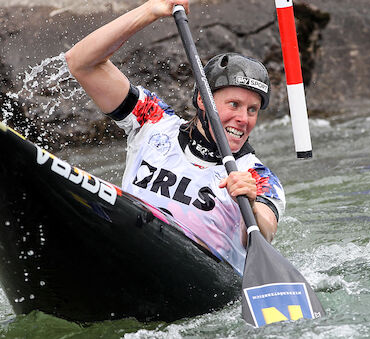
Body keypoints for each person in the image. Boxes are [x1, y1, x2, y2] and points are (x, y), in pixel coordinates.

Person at [64, 0, 285, 275]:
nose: (244, 118)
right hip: (125, 254)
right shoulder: (152, 121)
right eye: (234, 105)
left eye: (253, 110)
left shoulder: (256, 176)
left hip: (198, 281)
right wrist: (151, 11)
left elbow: (263, 234)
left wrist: (249, 204)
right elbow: (82, 63)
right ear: (203, 101)